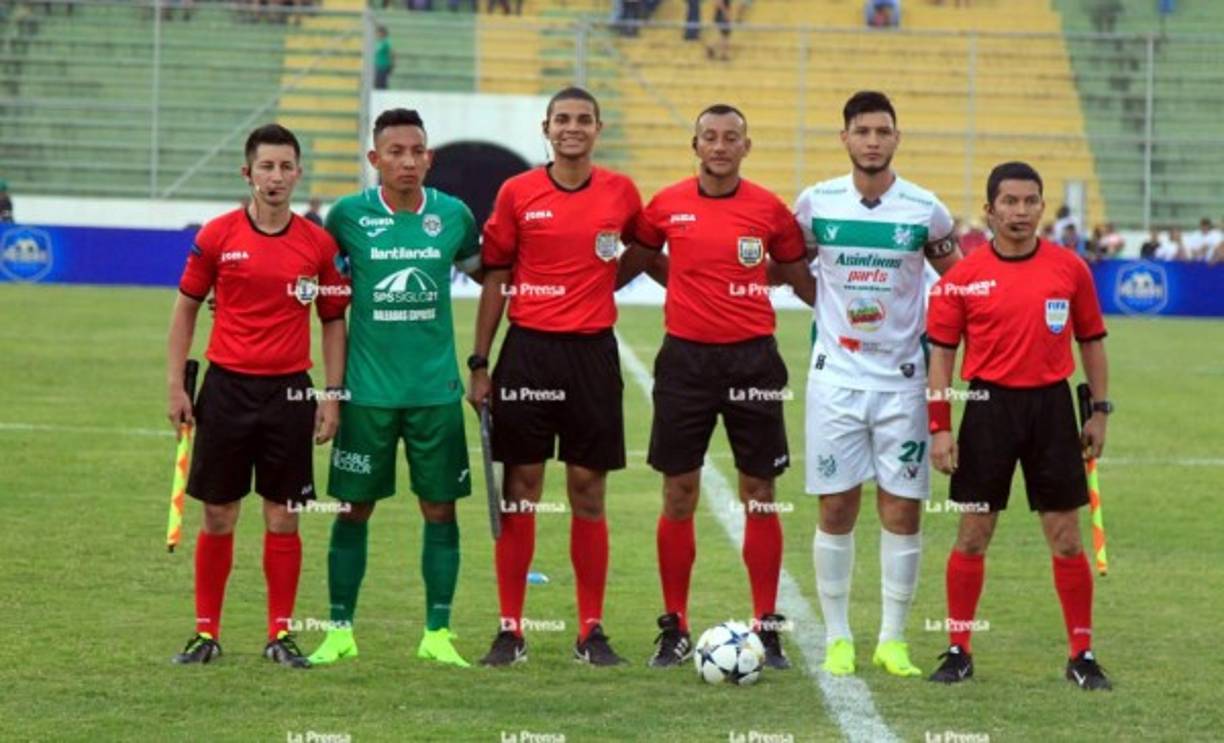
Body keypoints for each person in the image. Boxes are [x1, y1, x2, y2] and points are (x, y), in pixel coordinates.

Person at [622, 104, 815, 669]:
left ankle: (767, 626)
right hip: (684, 361)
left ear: (746, 147)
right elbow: (637, 259)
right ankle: (674, 626)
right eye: (710, 137)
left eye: (732, 138)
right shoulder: (666, 204)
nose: (721, 146)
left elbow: (797, 275)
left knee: (759, 493)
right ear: (696, 144)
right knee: (678, 493)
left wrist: (856, 320)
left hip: (754, 361)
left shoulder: (770, 211)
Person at [468, 86, 651, 667]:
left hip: (592, 356)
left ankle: (590, 630)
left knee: (588, 491)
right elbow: (496, 276)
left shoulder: (621, 191)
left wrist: (606, 283)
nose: (573, 128)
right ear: (546, 128)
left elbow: (645, 246)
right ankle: (510, 629)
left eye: (584, 120)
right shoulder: (517, 192)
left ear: (599, 129)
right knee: (521, 490)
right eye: (562, 119)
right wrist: (480, 361)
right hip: (527, 353)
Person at [792, 90, 962, 678]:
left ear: (896, 138)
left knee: (903, 510)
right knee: (836, 508)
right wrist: (827, 308)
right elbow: (792, 268)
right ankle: (838, 638)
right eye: (861, 130)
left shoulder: (924, 209)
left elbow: (959, 283)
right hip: (835, 379)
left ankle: (893, 640)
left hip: (904, 382)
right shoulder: (816, 203)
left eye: (882, 131)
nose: (872, 140)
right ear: (844, 137)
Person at [166, 124, 349, 668]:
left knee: (283, 516)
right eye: (265, 167)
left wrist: (332, 395)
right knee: (219, 514)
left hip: (290, 393)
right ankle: (206, 634)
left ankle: (280, 635)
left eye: (285, 166)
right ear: (248, 173)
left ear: (297, 172)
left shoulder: (319, 245)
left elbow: (334, 323)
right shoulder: (217, 236)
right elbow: (185, 308)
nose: (275, 177)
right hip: (225, 389)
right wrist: (176, 384)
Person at [926, 161, 1112, 691]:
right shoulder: (961, 277)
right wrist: (940, 426)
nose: (1021, 211)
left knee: (1066, 538)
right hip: (987, 408)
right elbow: (941, 356)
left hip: (1052, 410)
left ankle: (1082, 654)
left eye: (1031, 201)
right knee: (973, 533)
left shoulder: (1070, 268)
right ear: (989, 210)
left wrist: (1099, 412)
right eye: (1009, 202)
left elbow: (1091, 341)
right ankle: (959, 648)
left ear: (1041, 207)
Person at [305, 109, 482, 668]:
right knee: (353, 509)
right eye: (396, 151)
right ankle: (339, 631)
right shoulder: (348, 217)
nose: (408, 161)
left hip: (435, 392)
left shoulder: (453, 216)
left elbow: (491, 276)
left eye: (418, 151)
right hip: (367, 395)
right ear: (374, 159)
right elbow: (318, 290)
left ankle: (437, 632)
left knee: (440, 510)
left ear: (429, 157)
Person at [373, 25, 393, 90]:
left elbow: (391, 53)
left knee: (382, 85)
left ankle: (383, 99)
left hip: (384, 66)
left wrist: (391, 65)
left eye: (378, 32)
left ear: (383, 33)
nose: (377, 34)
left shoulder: (387, 41)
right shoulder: (379, 42)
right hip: (378, 66)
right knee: (377, 84)